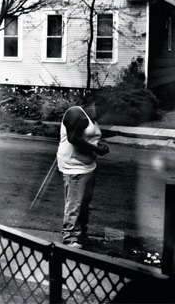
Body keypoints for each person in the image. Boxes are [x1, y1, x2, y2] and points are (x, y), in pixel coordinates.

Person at [56, 99, 110, 248]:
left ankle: (81, 235)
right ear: (95, 103)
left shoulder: (91, 118)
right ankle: (70, 238)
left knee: (84, 204)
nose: (104, 115)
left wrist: (99, 145)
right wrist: (97, 150)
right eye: (103, 110)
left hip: (88, 166)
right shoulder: (76, 113)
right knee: (75, 203)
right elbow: (73, 138)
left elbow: (88, 138)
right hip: (74, 166)